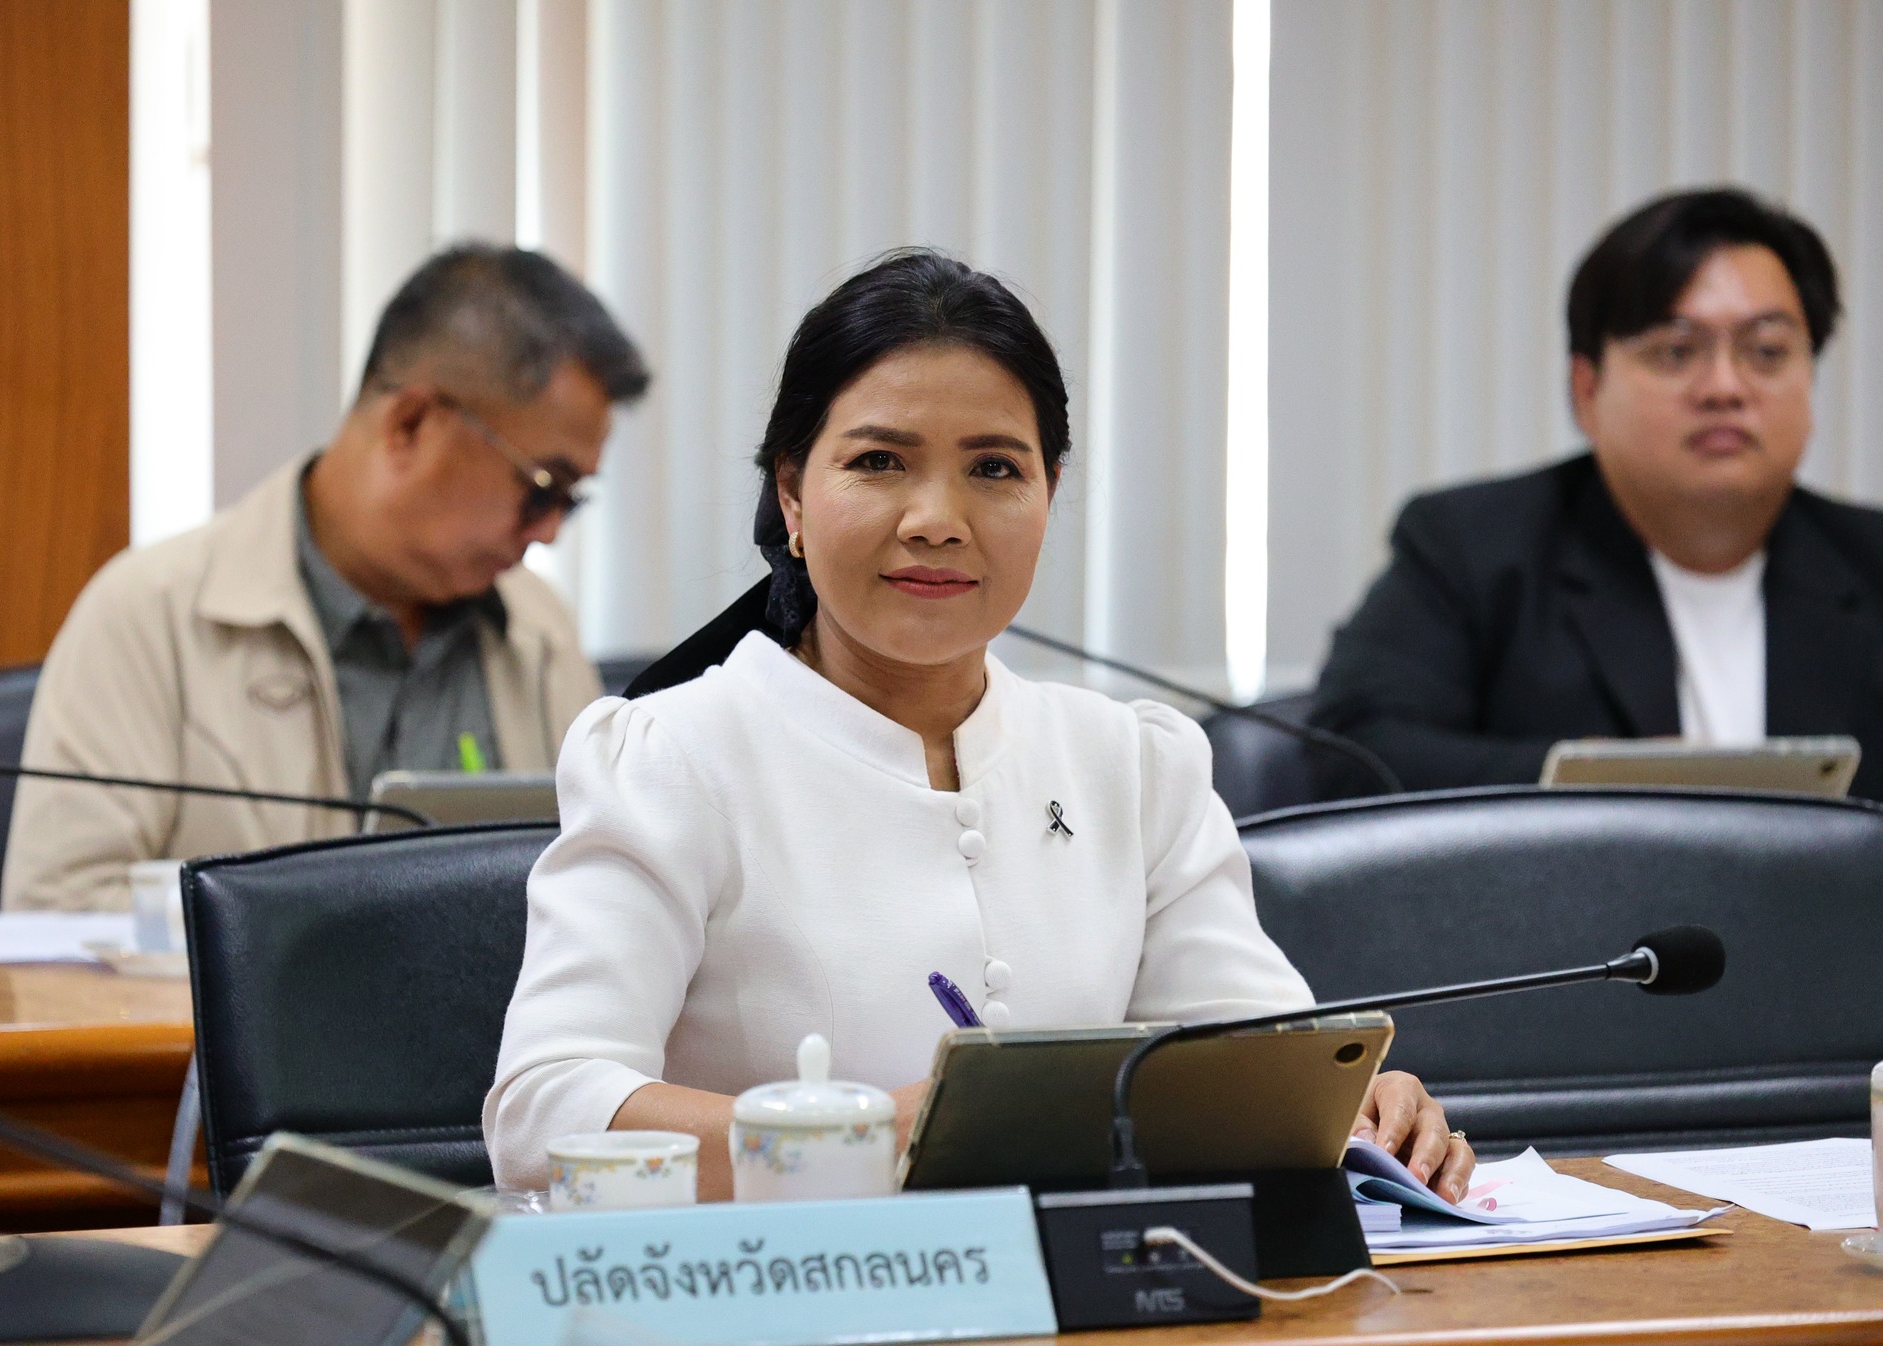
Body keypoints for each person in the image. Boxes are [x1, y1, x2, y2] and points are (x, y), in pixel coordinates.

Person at [485, 251, 1472, 1203]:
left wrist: (1352, 1105)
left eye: (994, 468)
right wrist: (863, 1137)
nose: (936, 519)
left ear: (1049, 493)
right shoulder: (672, 757)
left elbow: (1251, 1058)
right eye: (878, 462)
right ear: (791, 494)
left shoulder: (1131, 763)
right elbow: (546, 1111)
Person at [0, 246, 650, 911]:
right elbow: (56, 909)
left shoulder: (539, 627)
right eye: (543, 487)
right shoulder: (148, 615)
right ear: (410, 424)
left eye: (572, 502)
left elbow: (595, 887)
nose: (550, 532)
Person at [1311, 187, 1883, 797]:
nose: (1725, 387)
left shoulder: (1870, 560)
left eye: (1766, 352)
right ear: (1587, 392)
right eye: (1677, 351)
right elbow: (1353, 752)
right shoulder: (1473, 551)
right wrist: (1594, 786)